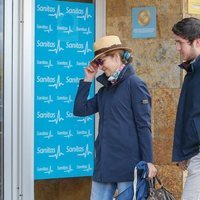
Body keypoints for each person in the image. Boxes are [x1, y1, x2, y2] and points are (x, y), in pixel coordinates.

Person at [73, 35, 157, 200]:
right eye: (97, 63)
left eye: (101, 61)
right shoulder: (105, 91)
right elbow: (79, 110)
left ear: (116, 56)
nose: (100, 67)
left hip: (128, 166)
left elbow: (143, 125)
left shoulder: (135, 84)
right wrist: (88, 80)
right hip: (104, 166)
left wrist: (149, 161)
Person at [171, 17, 200, 200]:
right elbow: (188, 114)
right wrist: (183, 152)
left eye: (180, 43)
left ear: (197, 42)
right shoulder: (192, 70)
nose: (178, 48)